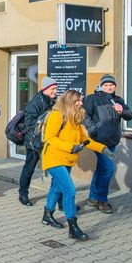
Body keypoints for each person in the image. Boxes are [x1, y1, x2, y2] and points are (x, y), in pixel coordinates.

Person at [41, 90, 111, 241]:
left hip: (67, 159)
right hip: (53, 158)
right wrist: (71, 147)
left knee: (56, 187)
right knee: (69, 190)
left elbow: (85, 140)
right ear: (69, 101)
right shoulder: (56, 115)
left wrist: (102, 148)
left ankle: (47, 215)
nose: (80, 103)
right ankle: (73, 228)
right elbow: (50, 138)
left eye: (81, 100)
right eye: (77, 101)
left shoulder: (76, 117)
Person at [84, 74, 132, 214]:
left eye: (111, 85)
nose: (109, 87)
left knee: (101, 169)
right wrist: (93, 129)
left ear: (115, 86)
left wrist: (122, 111)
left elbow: (130, 115)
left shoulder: (118, 100)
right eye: (106, 85)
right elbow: (84, 115)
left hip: (112, 140)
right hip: (98, 140)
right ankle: (102, 200)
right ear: (101, 86)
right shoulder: (93, 98)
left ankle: (93, 197)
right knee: (108, 168)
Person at [18, 77, 58, 206]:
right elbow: (30, 123)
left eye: (56, 88)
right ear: (45, 89)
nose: (55, 91)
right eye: (53, 89)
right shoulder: (34, 103)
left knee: (57, 170)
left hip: (49, 140)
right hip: (34, 141)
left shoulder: (53, 101)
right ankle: (23, 194)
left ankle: (61, 200)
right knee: (29, 168)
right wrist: (46, 122)